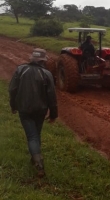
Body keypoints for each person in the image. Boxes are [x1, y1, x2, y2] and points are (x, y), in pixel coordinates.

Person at [8, 48, 58, 178]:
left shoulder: (21, 70)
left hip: (24, 109)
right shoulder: (47, 74)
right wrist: (53, 114)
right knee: (36, 133)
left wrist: (13, 105)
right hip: (40, 110)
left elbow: (12, 89)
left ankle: (39, 164)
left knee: (32, 136)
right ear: (43, 60)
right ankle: (35, 158)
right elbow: (52, 96)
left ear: (32, 59)